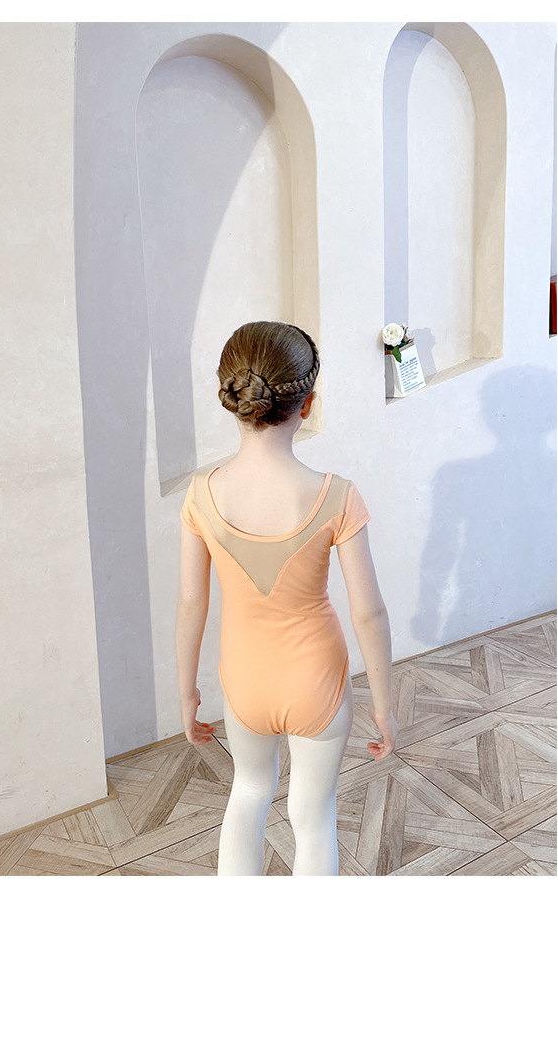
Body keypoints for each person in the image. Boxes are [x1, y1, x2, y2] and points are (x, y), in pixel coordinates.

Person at [175, 321, 397, 876]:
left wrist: (187, 693)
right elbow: (369, 612)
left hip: (245, 681)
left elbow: (191, 605)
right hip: (316, 680)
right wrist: (384, 704)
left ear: (231, 398)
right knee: (314, 817)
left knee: (248, 793)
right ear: (308, 403)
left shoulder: (201, 494)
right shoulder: (338, 496)